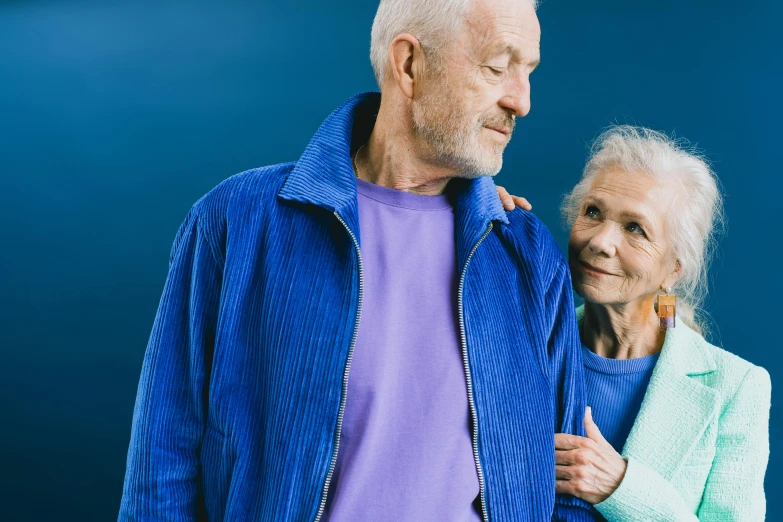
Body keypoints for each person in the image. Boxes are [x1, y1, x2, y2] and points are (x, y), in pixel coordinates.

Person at [118, 0, 599, 520]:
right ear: (410, 65)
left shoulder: (525, 255)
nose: (521, 101)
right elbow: (160, 468)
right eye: (497, 67)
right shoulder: (235, 222)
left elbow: (565, 490)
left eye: (528, 71)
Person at [498, 125, 771, 521]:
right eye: (592, 212)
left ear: (673, 267)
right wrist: (478, 219)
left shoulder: (734, 387)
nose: (601, 242)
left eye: (634, 229)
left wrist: (621, 487)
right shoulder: (525, 345)